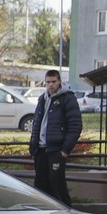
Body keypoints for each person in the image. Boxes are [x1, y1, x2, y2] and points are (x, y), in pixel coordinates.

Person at [29, 70, 83, 205]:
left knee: (56, 183)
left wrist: (65, 149)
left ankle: (66, 211)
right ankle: (42, 212)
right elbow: (36, 122)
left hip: (56, 149)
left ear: (59, 81)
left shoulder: (67, 98)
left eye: (54, 82)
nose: (51, 85)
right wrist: (33, 145)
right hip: (40, 148)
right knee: (40, 184)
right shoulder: (42, 98)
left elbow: (75, 125)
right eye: (48, 82)